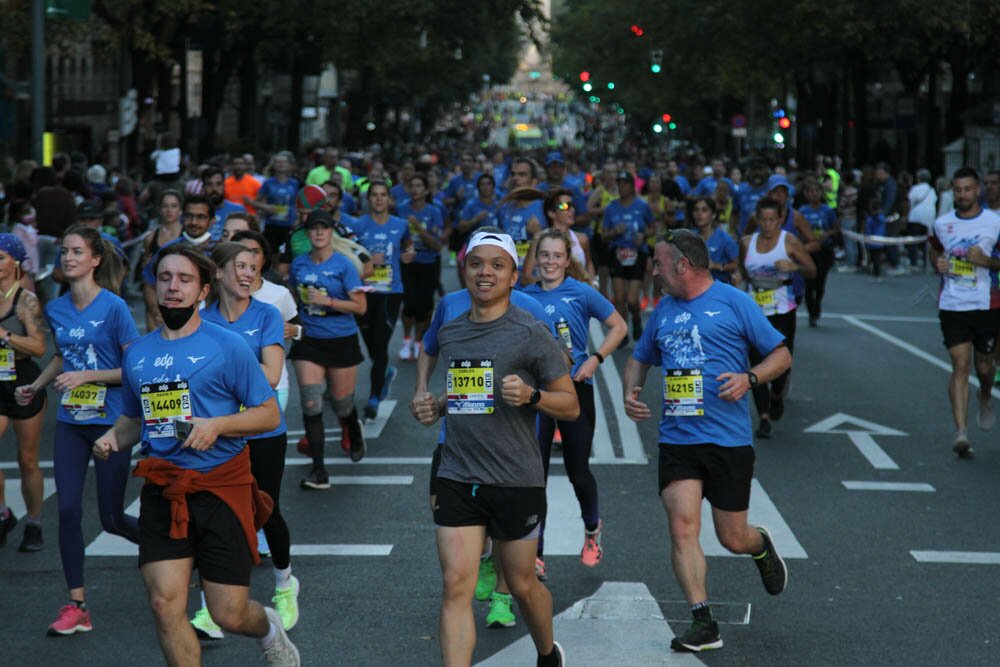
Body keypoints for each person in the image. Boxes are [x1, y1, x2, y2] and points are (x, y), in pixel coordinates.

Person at [91, 244, 300, 666]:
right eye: (165, 278)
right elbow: (136, 419)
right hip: (164, 487)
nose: (173, 287)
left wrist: (217, 425)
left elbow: (268, 412)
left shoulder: (227, 347)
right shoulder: (138, 354)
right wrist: (114, 436)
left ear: (202, 291)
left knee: (229, 613)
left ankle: (269, 627)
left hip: (220, 486)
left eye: (185, 279)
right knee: (165, 606)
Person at [410, 230, 576, 667]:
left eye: (497, 265)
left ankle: (546, 652)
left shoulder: (531, 332)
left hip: (515, 477)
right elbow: (470, 393)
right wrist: (434, 403)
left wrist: (533, 396)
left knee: (522, 584)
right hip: (458, 474)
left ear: (513, 276)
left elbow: (571, 405)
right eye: (476, 263)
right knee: (456, 585)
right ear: (464, 269)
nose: (485, 272)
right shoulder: (452, 330)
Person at [622, 228, 791, 653]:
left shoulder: (734, 302)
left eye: (659, 264)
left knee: (732, 537)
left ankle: (760, 545)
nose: (654, 271)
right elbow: (639, 358)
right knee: (681, 528)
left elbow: (781, 354)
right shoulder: (663, 310)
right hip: (678, 438)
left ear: (683, 265)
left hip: (727, 440)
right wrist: (631, 391)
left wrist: (749, 378)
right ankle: (703, 622)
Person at [15, 223, 139, 635]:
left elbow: (132, 371)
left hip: (110, 423)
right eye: (64, 252)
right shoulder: (58, 308)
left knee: (112, 518)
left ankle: (178, 550)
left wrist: (88, 379)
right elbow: (63, 358)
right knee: (66, 510)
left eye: (76, 252)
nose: (67, 258)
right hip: (71, 422)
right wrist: (33, 386)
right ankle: (77, 604)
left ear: (95, 260)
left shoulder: (116, 308)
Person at [191, 242, 299, 638]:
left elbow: (270, 376)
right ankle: (208, 607)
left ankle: (285, 583)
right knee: (215, 515)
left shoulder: (267, 315)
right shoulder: (201, 319)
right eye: (239, 266)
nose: (248, 274)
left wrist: (220, 365)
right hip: (218, 430)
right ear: (217, 274)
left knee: (264, 509)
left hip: (262, 429)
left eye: (254, 267)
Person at [522, 228, 627, 578]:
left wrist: (595, 359)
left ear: (568, 261)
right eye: (544, 255)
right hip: (535, 395)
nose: (550, 262)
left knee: (577, 470)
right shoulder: (523, 296)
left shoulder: (581, 292)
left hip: (574, 388)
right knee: (534, 475)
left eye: (556, 256)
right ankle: (536, 552)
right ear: (535, 259)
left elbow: (618, 327)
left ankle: (592, 529)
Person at [289, 210, 368, 488]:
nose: (319, 233)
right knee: (311, 402)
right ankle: (319, 472)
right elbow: (292, 300)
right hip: (309, 340)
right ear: (307, 233)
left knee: (342, 404)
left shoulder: (344, 265)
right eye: (314, 228)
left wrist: (328, 301)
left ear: (331, 232)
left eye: (324, 228)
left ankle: (353, 430)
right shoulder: (298, 264)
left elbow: (360, 307)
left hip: (341, 339)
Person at [928, 167, 1000, 458]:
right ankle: (961, 432)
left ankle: (984, 395)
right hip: (953, 303)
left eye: (968, 189)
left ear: (978, 190)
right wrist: (938, 264)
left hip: (987, 304)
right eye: (958, 190)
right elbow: (933, 249)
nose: (962, 195)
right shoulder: (942, 223)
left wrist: (986, 261)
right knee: (960, 365)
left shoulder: (994, 222)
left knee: (984, 367)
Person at [740, 198, 816, 437]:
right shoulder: (746, 242)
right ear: (757, 219)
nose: (767, 224)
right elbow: (743, 271)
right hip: (754, 310)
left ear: (780, 219)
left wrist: (794, 267)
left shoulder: (789, 241)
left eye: (772, 219)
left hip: (782, 308)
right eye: (763, 219)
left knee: (783, 361)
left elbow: (812, 269)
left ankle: (776, 394)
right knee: (756, 362)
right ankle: (763, 417)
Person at [347, 180, 414, 420]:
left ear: (389, 199)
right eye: (374, 195)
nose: (378, 199)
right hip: (364, 291)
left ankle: (374, 397)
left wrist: (409, 253)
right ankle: (384, 373)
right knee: (370, 343)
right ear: (368, 199)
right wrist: (366, 261)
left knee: (381, 341)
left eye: (383, 195)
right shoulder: (358, 225)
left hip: (390, 292)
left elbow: (407, 244)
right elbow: (350, 253)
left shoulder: (400, 224)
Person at [0, 235, 48, 552]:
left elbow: (40, 346)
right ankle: (3, 513)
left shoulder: (26, 300)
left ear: (15, 263)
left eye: (1, 257)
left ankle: (34, 522)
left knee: (27, 460)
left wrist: (4, 335)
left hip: (23, 379)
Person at [397, 174, 445, 361]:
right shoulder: (401, 209)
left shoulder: (434, 212)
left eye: (419, 185)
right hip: (408, 263)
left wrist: (418, 227)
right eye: (412, 185)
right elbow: (397, 238)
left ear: (426, 190)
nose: (415, 189)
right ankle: (406, 340)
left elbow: (436, 244)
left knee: (424, 306)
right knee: (409, 304)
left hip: (429, 262)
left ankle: (419, 341)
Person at [602, 172, 654, 342]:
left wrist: (644, 236)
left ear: (632, 186)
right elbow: (603, 235)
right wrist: (613, 232)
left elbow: (653, 227)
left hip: (637, 253)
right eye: (620, 184)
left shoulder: (642, 206)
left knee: (632, 300)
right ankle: (623, 331)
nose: (621, 187)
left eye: (625, 183)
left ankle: (637, 320)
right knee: (619, 298)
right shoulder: (611, 207)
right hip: (617, 253)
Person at [797, 180, 839, 326]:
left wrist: (827, 234)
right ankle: (811, 312)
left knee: (820, 282)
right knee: (809, 283)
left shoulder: (827, 210)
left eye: (816, 191)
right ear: (806, 194)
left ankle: (818, 302)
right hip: (808, 250)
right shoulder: (802, 211)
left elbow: (835, 228)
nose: (814, 194)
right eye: (810, 191)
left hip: (824, 250)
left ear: (821, 193)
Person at [141, 190, 184, 331]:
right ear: (159, 209)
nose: (169, 210)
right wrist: (154, 308)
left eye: (173, 206)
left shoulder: (187, 237)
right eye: (165, 206)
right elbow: (146, 276)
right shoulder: (150, 238)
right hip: (157, 297)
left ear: (180, 209)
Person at [252, 151, 300, 255]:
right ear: (274, 165)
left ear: (290, 165)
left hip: (289, 225)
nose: (281, 164)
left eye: (284, 162)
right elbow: (255, 203)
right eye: (278, 162)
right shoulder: (268, 183)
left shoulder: (294, 183)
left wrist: (297, 219)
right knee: (269, 253)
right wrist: (267, 207)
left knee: (286, 254)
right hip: (271, 225)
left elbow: (298, 203)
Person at [690, 196, 739, 285]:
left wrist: (716, 266)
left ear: (713, 215)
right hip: (694, 286)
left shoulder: (724, 238)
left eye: (704, 210)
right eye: (696, 210)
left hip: (718, 286)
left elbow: (737, 264)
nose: (699, 214)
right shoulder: (689, 237)